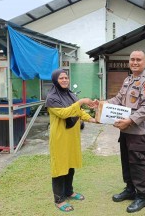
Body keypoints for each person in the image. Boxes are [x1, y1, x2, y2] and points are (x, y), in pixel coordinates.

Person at [106, 50, 145, 213]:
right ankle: (130, 189)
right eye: (132, 59)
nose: (135, 62)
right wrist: (102, 104)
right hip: (126, 130)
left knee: (138, 163)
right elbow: (118, 99)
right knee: (127, 161)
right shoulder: (128, 80)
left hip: (138, 131)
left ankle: (142, 196)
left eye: (138, 60)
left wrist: (130, 120)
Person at [45, 68, 97, 212]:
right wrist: (80, 101)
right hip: (60, 138)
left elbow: (79, 112)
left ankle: (69, 191)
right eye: (61, 78)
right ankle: (59, 199)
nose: (64, 80)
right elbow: (64, 113)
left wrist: (92, 118)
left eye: (66, 78)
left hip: (72, 137)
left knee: (70, 166)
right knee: (59, 168)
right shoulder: (51, 98)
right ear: (56, 80)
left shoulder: (70, 95)